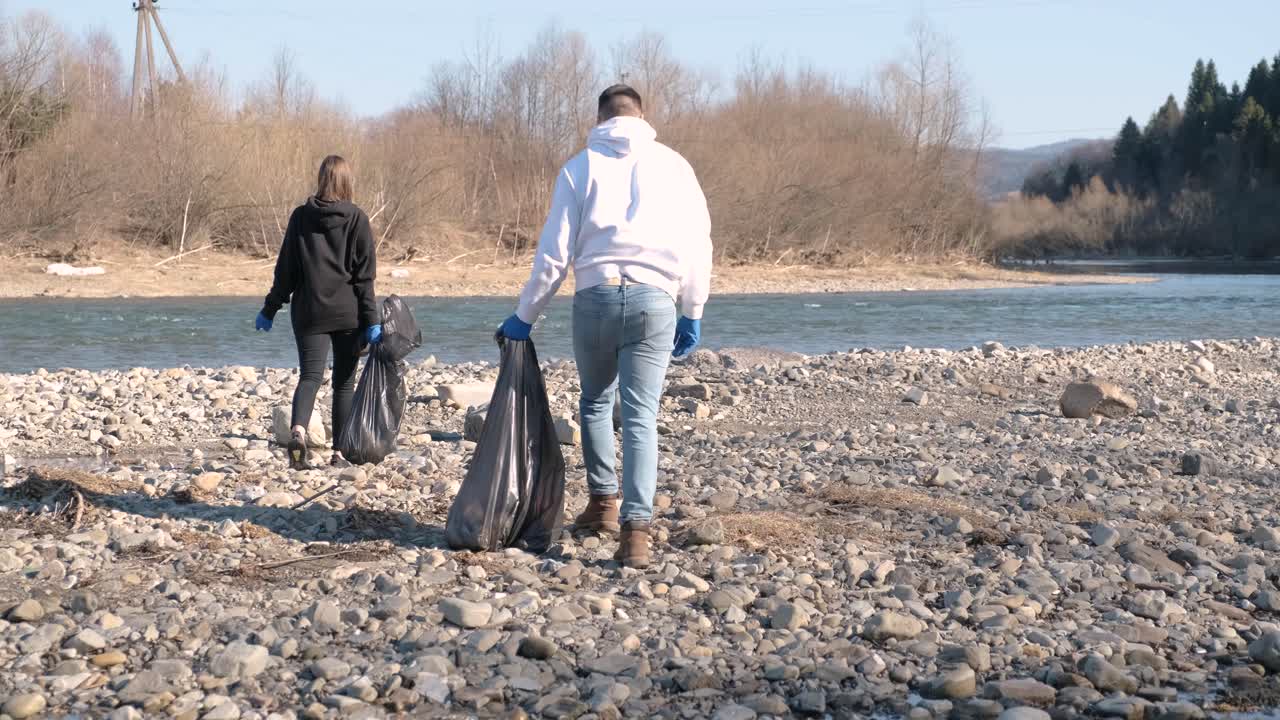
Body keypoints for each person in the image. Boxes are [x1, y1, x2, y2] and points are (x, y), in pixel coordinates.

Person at [498, 84, 712, 568]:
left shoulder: (580, 167)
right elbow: (699, 242)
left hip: (595, 294)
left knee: (595, 402)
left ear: (599, 118)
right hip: (654, 299)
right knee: (640, 416)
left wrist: (524, 315)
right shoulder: (675, 166)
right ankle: (636, 534)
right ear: (643, 116)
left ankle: (602, 504)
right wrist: (693, 308)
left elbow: (554, 255)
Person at [255, 154, 381, 470]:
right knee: (343, 383)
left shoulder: (300, 217)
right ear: (346, 182)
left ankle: (298, 431)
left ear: (321, 179)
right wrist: (372, 321)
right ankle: (339, 454)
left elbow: (286, 270)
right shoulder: (357, 218)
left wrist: (270, 309)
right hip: (348, 313)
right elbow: (364, 277)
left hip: (309, 311)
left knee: (310, 376)